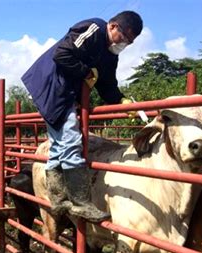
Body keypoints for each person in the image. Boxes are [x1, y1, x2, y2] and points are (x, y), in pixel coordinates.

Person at [21, 11, 142, 223]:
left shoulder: (110, 54)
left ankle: (57, 198)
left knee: (59, 145)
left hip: (65, 92)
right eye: (123, 37)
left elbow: (107, 85)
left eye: (129, 42)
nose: (124, 43)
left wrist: (123, 101)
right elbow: (62, 54)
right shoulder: (93, 29)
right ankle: (81, 202)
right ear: (112, 26)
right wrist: (86, 72)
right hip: (52, 85)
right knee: (70, 140)